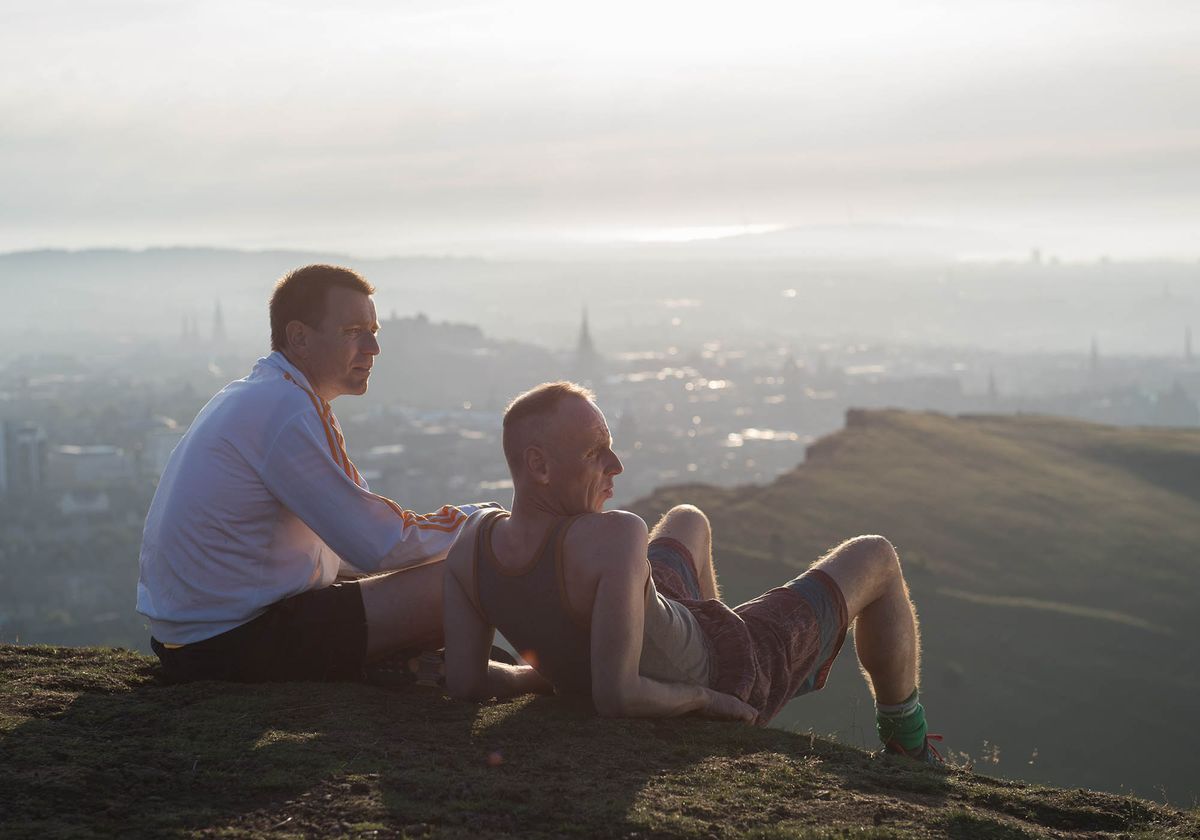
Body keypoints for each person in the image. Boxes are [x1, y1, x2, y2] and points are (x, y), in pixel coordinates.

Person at [443, 381, 940, 762]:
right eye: (595, 452)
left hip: (669, 618)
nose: (616, 464)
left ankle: (711, 619)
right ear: (540, 466)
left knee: (687, 518)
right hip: (731, 667)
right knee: (876, 556)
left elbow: (465, 681)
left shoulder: (470, 545)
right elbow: (617, 697)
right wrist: (708, 699)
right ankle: (909, 743)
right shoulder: (615, 537)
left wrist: (542, 677)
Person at [137, 264, 496, 684]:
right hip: (233, 644)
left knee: (449, 572)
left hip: (193, 643)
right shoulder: (286, 409)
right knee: (478, 568)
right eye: (353, 331)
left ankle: (419, 665)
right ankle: (545, 677)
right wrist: (484, 523)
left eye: (374, 330)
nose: (373, 347)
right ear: (299, 337)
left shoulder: (261, 395)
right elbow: (380, 544)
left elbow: (343, 546)